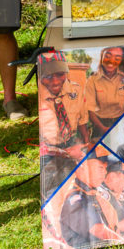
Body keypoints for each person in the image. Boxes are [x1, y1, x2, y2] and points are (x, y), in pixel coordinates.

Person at [38, 51, 90, 200]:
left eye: (60, 74)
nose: (55, 82)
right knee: (52, 188)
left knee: (79, 181)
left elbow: (82, 118)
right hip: (48, 148)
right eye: (48, 76)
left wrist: (85, 143)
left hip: (71, 141)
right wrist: (64, 153)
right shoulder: (39, 97)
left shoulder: (75, 89)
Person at [85, 46, 124, 138]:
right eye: (108, 56)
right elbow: (90, 110)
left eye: (117, 58)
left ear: (121, 60)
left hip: (121, 122)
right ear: (102, 56)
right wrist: (103, 129)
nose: (111, 61)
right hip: (99, 125)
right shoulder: (92, 80)